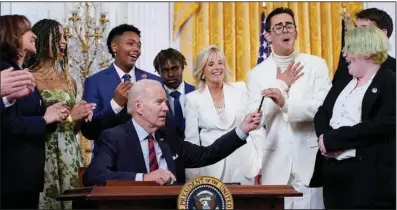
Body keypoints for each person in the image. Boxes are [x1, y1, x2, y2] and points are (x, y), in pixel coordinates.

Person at [83, 79, 262, 186]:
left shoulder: (167, 138)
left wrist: (241, 130)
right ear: (139, 106)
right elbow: (94, 176)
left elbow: (207, 154)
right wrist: (143, 178)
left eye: (166, 103)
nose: (166, 108)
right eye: (159, 102)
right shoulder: (115, 137)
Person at [246, 7, 331, 209]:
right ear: (267, 35)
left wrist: (286, 105)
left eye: (289, 25)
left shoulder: (316, 65)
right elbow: (256, 118)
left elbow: (323, 107)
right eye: (278, 27)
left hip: (310, 161)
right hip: (275, 161)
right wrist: (281, 84)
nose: (285, 30)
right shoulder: (256, 74)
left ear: (296, 31)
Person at [310, 26, 396, 209]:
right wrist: (324, 139)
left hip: (368, 179)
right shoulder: (342, 83)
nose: (344, 54)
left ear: (366, 52)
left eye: (349, 48)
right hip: (334, 175)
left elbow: (383, 124)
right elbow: (322, 114)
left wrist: (335, 139)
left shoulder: (390, 82)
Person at [25, 19, 96, 209]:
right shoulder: (28, 77)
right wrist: (71, 115)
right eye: (58, 37)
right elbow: (30, 119)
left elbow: (73, 126)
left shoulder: (70, 80)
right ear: (40, 39)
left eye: (65, 37)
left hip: (70, 152)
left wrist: (82, 116)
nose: (63, 42)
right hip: (44, 151)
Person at [0, 14, 68, 209]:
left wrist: (54, 113)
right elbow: (7, 125)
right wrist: (45, 120)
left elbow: (30, 115)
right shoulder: (5, 71)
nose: (34, 35)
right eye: (28, 30)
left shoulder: (22, 71)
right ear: (12, 35)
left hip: (27, 175)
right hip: (11, 174)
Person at [184, 45, 263, 185]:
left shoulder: (241, 89)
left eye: (220, 63)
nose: (217, 67)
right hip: (212, 168)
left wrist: (261, 164)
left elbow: (256, 129)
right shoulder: (192, 99)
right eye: (211, 64)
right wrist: (192, 179)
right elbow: (192, 141)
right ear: (202, 71)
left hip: (245, 165)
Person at [81, 24, 161, 153]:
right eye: (130, 44)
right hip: (111, 160)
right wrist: (115, 105)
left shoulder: (153, 81)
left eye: (139, 45)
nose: (136, 49)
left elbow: (167, 123)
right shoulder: (95, 82)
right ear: (114, 46)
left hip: (149, 156)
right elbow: (89, 131)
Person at [333, 8, 395, 84]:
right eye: (356, 29)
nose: (357, 34)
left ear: (382, 33)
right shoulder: (347, 65)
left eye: (363, 29)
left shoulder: (394, 68)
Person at [153, 48, 195, 139]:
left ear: (182, 67)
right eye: (165, 70)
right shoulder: (153, 97)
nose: (171, 74)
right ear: (158, 72)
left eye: (175, 68)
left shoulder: (197, 93)